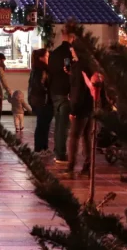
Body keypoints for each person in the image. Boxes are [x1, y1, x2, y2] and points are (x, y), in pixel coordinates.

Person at [48, 25, 77, 164]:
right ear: (73, 37)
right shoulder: (69, 53)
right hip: (65, 92)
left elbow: (51, 72)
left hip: (55, 91)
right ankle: (61, 153)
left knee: (58, 122)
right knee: (63, 125)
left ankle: (57, 150)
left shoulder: (54, 53)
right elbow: (69, 72)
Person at [67, 70, 102, 177]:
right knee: (87, 136)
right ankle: (87, 167)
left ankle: (70, 168)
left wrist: (73, 110)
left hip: (81, 108)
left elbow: (78, 91)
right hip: (92, 106)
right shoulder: (94, 66)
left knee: (74, 136)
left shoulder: (79, 69)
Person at [28, 48, 53, 154]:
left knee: (44, 124)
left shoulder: (38, 69)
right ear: (41, 58)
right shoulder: (41, 70)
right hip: (42, 101)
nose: (48, 58)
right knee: (42, 124)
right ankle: (39, 148)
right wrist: (48, 90)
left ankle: (44, 147)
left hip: (40, 100)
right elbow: (40, 86)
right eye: (47, 56)